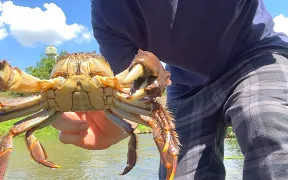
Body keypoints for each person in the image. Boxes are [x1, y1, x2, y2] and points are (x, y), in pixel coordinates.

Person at [52, 0, 288, 179]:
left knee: (266, 123)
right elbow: (133, 90)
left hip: (255, 54)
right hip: (185, 84)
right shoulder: (107, 12)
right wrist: (116, 122)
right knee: (176, 170)